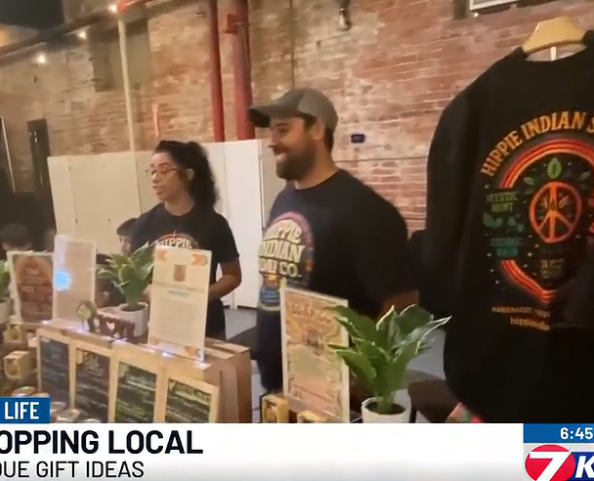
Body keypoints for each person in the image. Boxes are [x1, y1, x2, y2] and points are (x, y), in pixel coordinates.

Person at [248, 88, 418, 394]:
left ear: (317, 129)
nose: (272, 142)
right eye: (271, 131)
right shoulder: (284, 199)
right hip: (277, 381)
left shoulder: (365, 210)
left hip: (330, 392)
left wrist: (360, 379)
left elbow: (402, 305)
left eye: (283, 130)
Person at [129, 140, 242, 339]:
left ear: (188, 175)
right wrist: (150, 291)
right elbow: (133, 277)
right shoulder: (144, 224)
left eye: (164, 170)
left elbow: (232, 276)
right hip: (162, 327)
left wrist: (202, 295)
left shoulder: (214, 224)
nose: (155, 178)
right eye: (152, 171)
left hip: (208, 328)